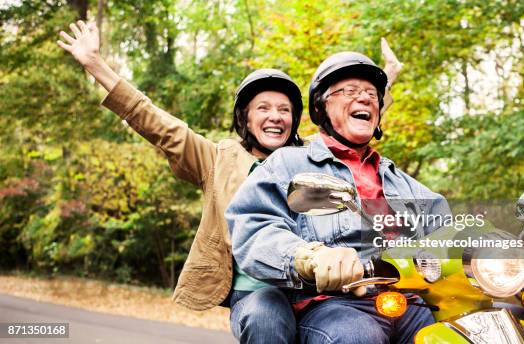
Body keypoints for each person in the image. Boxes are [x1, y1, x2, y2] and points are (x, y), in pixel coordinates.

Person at [57, 20, 302, 343]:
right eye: (264, 108)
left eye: (284, 110)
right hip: (256, 295)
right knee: (264, 318)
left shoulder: (312, 160)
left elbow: (357, 150)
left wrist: (375, 95)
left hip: (313, 289)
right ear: (245, 118)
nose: (275, 116)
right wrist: (95, 65)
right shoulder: (218, 159)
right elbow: (157, 123)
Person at [226, 51, 449, 343]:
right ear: (320, 107)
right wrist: (310, 257)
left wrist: (500, 251)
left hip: (412, 303)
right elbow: (256, 229)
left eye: (372, 93)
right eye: (350, 91)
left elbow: (450, 231)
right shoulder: (288, 164)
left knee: (495, 325)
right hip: (335, 304)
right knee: (356, 335)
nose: (365, 98)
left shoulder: (404, 183)